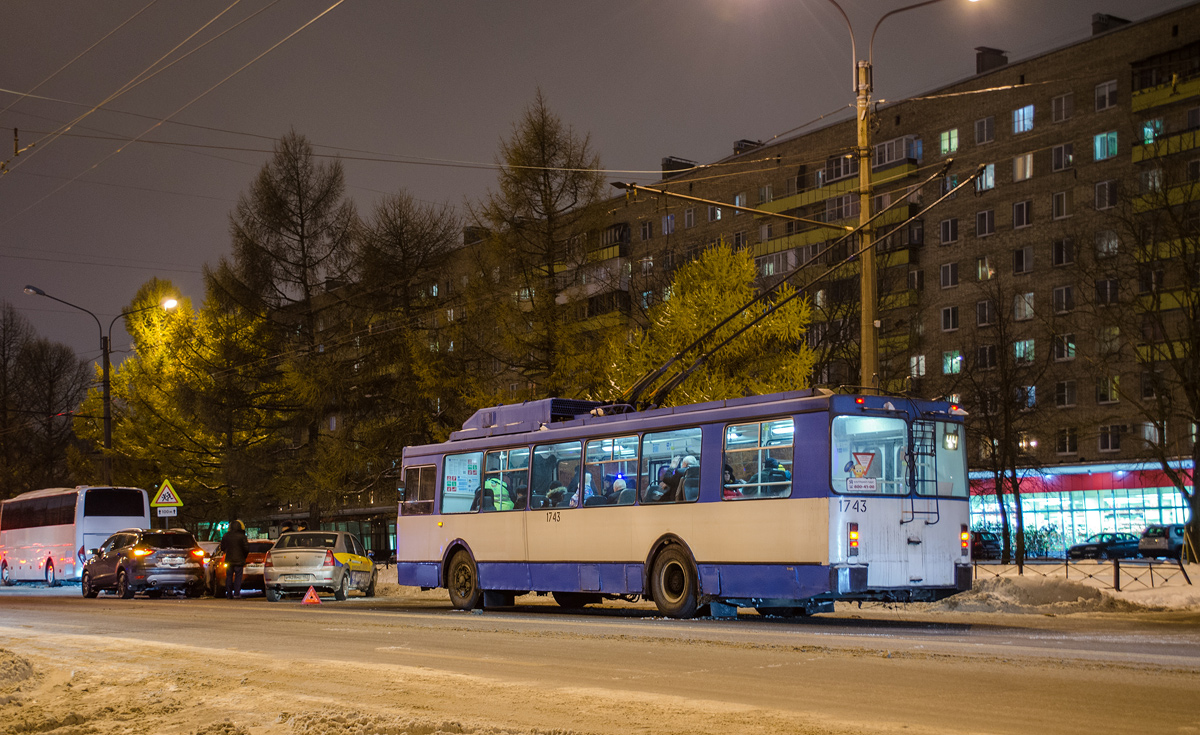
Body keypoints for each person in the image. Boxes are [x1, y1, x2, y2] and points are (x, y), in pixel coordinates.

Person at [219, 520, 250, 599]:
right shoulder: (242, 536)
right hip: (239, 560)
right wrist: (244, 557)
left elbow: (222, 548)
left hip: (229, 560)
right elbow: (246, 548)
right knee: (238, 578)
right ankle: (237, 593)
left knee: (229, 577)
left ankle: (229, 594)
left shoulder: (226, 536)